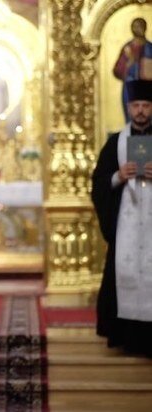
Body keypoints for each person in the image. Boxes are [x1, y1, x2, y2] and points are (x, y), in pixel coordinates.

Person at [91, 79, 152, 357]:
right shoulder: (115, 142)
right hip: (127, 225)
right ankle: (126, 337)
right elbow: (99, 182)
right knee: (125, 273)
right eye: (136, 105)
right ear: (129, 107)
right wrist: (119, 175)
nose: (140, 111)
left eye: (146, 105)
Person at [113, 18, 152, 121]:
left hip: (148, 88)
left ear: (145, 28)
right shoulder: (128, 48)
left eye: (140, 26)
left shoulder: (150, 47)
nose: (138, 29)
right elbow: (118, 70)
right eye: (135, 26)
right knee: (132, 117)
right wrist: (130, 62)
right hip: (130, 86)